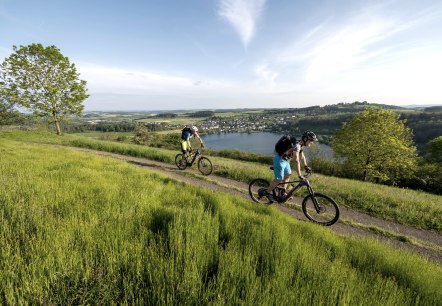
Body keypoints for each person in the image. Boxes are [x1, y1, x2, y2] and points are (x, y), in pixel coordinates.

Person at [259, 131, 317, 201]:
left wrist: (306, 166)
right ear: (305, 139)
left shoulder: (300, 145)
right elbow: (296, 160)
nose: (312, 142)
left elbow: (302, 156)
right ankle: (267, 192)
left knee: (288, 175)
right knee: (278, 179)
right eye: (311, 141)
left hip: (286, 161)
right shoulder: (297, 146)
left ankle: (282, 193)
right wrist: (299, 175)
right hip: (279, 160)